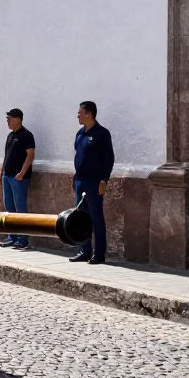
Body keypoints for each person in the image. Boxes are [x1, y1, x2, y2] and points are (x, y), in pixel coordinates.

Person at [70, 101, 114, 265]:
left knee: (96, 217)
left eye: (80, 112)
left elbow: (109, 159)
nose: (77, 115)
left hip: (94, 182)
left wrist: (104, 180)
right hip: (80, 180)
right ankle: (84, 250)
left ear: (89, 114)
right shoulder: (80, 134)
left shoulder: (102, 134)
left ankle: (99, 253)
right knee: (81, 217)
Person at [0, 108, 35, 250]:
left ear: (18, 119)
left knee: (20, 208)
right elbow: (6, 156)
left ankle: (23, 239)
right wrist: (1, 173)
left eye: (9, 118)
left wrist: (22, 173)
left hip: (19, 178)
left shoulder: (27, 135)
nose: (7, 121)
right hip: (7, 176)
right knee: (9, 207)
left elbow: (30, 155)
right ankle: (12, 236)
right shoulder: (10, 136)